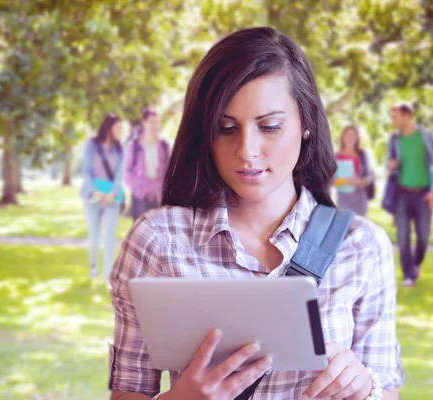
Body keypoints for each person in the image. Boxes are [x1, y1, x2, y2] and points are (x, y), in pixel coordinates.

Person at [109, 27, 403, 400]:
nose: (247, 151)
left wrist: (367, 387)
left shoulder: (361, 246)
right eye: (226, 128)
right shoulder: (158, 240)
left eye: (270, 127)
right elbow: (128, 393)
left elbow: (387, 392)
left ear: (306, 124)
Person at [388, 103, 433, 288]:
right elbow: (393, 165)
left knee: (423, 236)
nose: (394, 120)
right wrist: (391, 166)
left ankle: (416, 263)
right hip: (402, 194)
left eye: (396, 116)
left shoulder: (426, 136)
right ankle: (409, 275)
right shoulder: (395, 139)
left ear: (407, 115)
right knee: (403, 235)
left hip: (423, 193)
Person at [80, 114, 124, 280]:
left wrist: (112, 193)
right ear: (109, 128)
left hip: (112, 198)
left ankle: (108, 276)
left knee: (109, 238)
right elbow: (86, 170)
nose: (121, 131)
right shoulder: (92, 145)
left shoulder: (120, 149)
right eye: (118, 128)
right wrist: (94, 192)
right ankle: (93, 269)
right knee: (94, 237)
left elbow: (120, 173)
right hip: (93, 197)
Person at [124, 107, 170, 220]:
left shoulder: (164, 145)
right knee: (139, 232)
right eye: (152, 122)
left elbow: (170, 170)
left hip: (158, 196)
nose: (155, 125)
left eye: (157, 122)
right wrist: (137, 187)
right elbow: (126, 171)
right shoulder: (134, 145)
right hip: (139, 196)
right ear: (144, 122)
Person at [333, 125, 374, 216]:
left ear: (357, 138)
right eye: (347, 135)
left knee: (360, 228)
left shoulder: (362, 155)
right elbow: (331, 180)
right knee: (346, 228)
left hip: (360, 200)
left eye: (353, 136)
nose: (350, 138)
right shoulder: (336, 157)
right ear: (343, 137)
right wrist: (346, 182)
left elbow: (370, 176)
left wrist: (362, 182)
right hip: (344, 201)